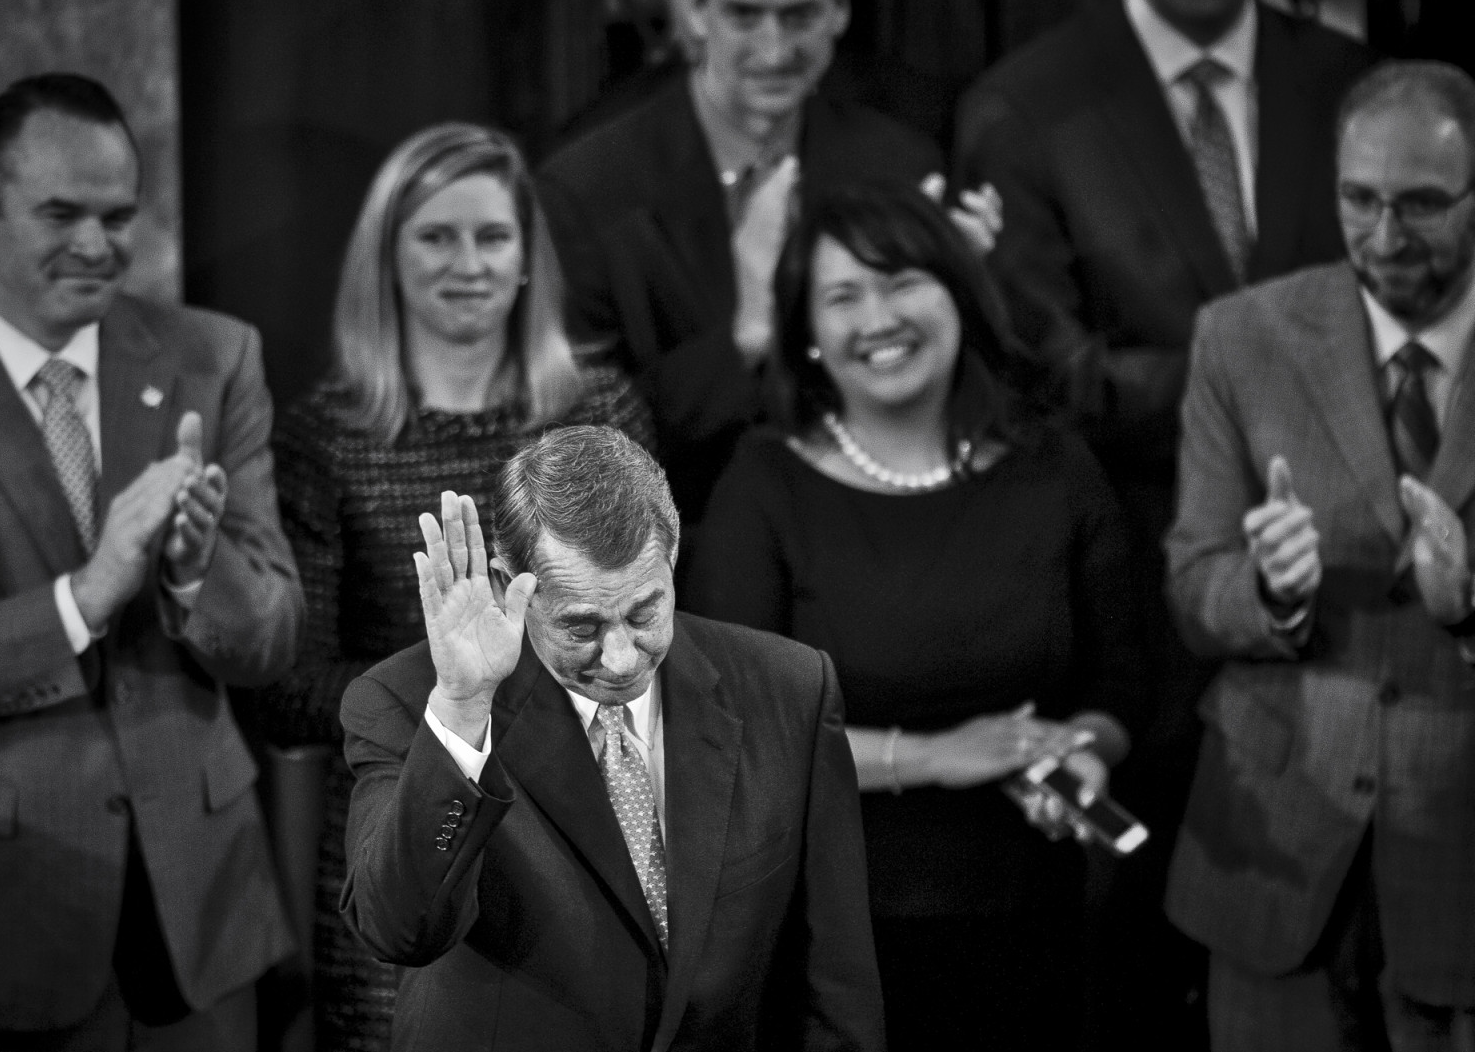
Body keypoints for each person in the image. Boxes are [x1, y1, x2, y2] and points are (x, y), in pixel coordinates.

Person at [954, 0, 1375, 1039]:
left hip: (1381, 587)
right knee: (1146, 954)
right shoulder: (1023, 102)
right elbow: (1045, 371)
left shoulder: (1343, 76)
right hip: (1136, 592)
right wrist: (1277, 384)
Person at [0, 73, 302, 1051]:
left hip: (202, 918)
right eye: (62, 213)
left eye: (119, 216)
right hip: (3, 914)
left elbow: (274, 635)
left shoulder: (213, 357)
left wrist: (197, 576)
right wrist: (87, 595)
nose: (99, 245)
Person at [683, 182, 1144, 1050]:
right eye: (842, 295)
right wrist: (936, 756)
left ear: (960, 292)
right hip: (834, 933)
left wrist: (1083, 748)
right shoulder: (765, 483)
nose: (878, 317)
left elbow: (1120, 678)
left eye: (902, 280)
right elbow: (734, 731)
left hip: (1039, 919)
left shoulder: (1057, 466)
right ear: (807, 334)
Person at [248, 123, 653, 1050]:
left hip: (590, 826)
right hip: (405, 826)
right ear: (386, 255)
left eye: (491, 236)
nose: (467, 262)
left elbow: (658, 623)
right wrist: (451, 694)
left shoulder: (601, 409)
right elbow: (289, 685)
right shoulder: (329, 435)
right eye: (436, 236)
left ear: (525, 258)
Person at [339, 426, 883, 1050]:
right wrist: (464, 708)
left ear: (673, 556)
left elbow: (836, 986)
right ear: (506, 583)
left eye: (644, 612)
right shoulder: (408, 703)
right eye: (582, 626)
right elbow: (399, 932)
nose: (621, 658)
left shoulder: (789, 688)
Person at [1165, 60, 1475, 1050]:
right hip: (1276, 858)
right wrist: (1267, 590)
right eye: (1359, 200)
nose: (1384, 239)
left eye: (1422, 206)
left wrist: (1464, 605)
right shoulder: (1240, 336)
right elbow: (1191, 583)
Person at [537, 0, 999, 543]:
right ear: (695, 12)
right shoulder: (585, 190)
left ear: (841, 11)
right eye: (745, 14)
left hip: (870, 534)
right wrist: (745, 335)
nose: (775, 48)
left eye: (799, 15)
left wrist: (960, 286)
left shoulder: (900, 163)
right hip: (676, 551)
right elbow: (582, 444)